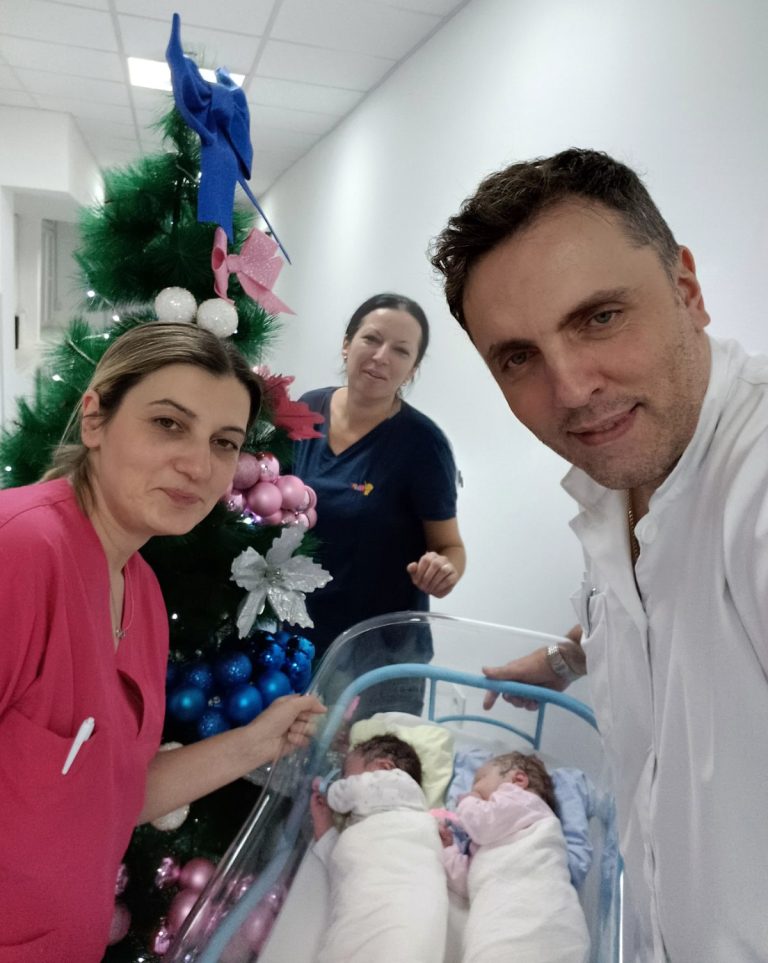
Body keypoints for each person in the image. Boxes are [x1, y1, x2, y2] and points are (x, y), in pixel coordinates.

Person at [430, 147, 768, 961]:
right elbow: (659, 621)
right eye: (518, 357)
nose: (572, 388)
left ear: (687, 289)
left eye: (600, 317)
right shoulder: (621, 482)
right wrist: (565, 660)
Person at [0, 321, 325, 963]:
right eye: (168, 424)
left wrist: (259, 741)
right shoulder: (22, 552)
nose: (199, 466)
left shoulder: (141, 592)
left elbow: (116, 790)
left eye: (224, 442)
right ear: (95, 418)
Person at [293, 293, 466, 714]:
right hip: (297, 637)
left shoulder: (422, 444)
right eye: (371, 339)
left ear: (413, 368)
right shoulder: (306, 410)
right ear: (347, 344)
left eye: (401, 350)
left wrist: (443, 571)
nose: (381, 356)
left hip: (380, 655)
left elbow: (450, 547)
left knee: (371, 757)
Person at [310, 733, 448, 963]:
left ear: (384, 768)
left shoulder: (399, 785)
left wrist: (327, 788)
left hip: (404, 904)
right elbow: (346, 868)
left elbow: (354, 790)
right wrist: (324, 829)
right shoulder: (369, 823)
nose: (344, 780)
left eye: (347, 775)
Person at [440, 751, 589, 963]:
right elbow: (467, 882)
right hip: (497, 926)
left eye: (480, 780)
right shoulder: (487, 840)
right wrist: (448, 849)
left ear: (518, 780)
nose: (473, 789)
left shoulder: (525, 803)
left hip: (540, 915)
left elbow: (481, 821)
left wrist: (467, 801)